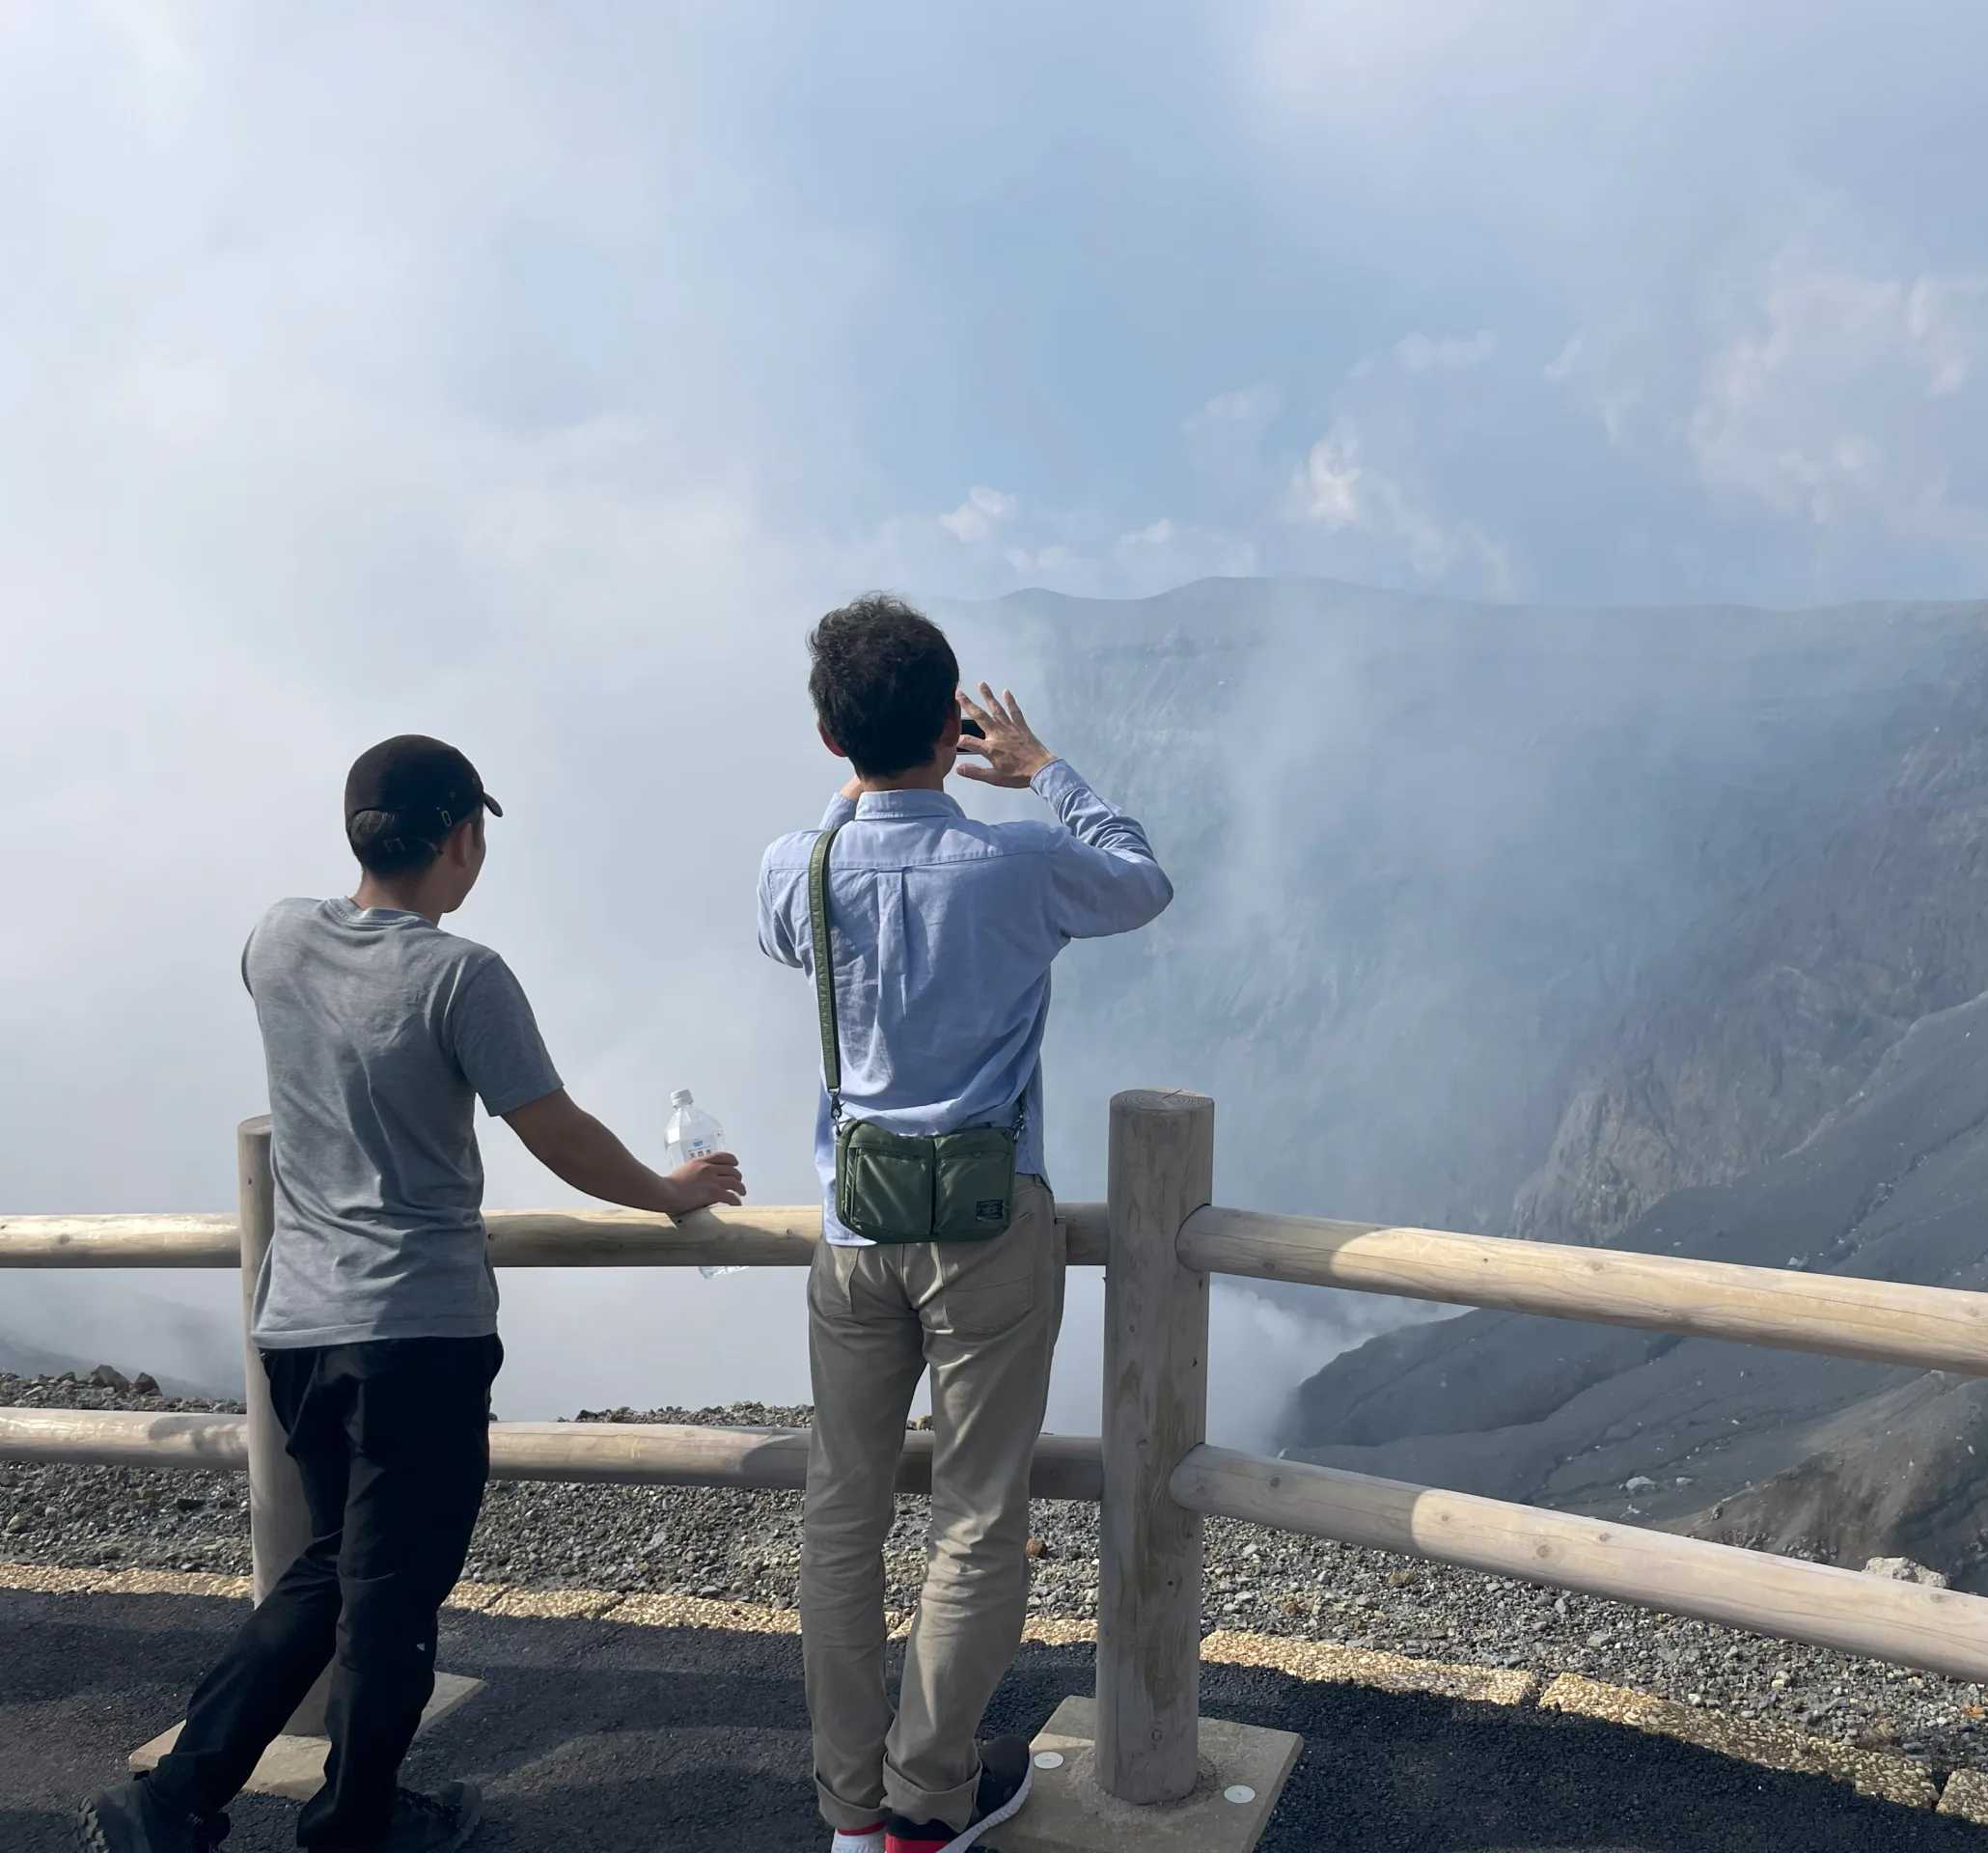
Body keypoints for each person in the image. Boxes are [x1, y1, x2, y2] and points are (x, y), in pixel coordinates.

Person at [82, 735, 745, 1853]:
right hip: (417, 1329)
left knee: (336, 1566)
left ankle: (182, 1797)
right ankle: (345, 1820)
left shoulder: (278, 937)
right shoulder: (461, 975)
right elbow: (556, 1130)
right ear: (459, 840)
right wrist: (662, 1192)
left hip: (297, 1324)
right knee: (389, 1595)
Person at [759, 595, 1172, 1853]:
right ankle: (924, 1800)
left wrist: (864, 790)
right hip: (992, 1222)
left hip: (855, 1227)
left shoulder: (798, 865)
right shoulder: (1019, 859)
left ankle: (845, 1816)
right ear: (955, 725)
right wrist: (1045, 772)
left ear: (828, 737)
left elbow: (808, 905)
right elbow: (1143, 880)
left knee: (842, 1514)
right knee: (978, 1516)